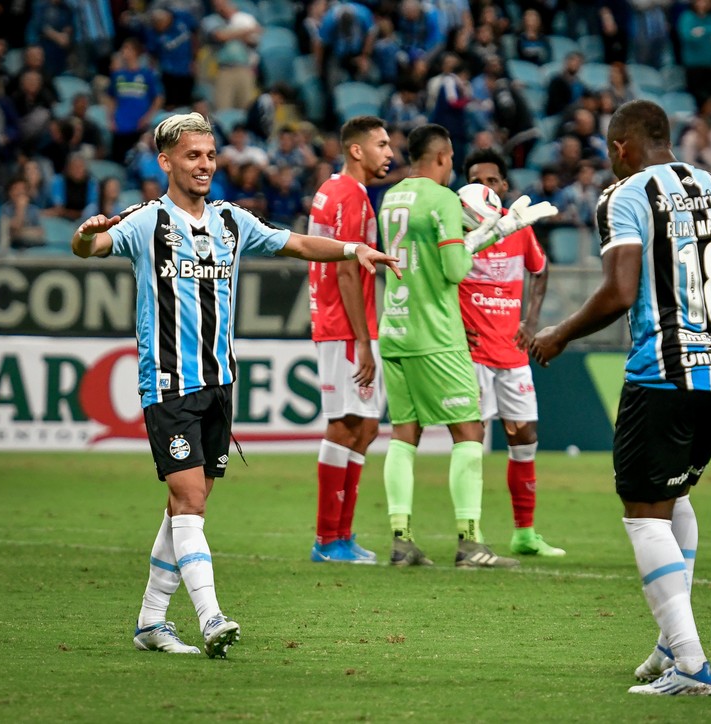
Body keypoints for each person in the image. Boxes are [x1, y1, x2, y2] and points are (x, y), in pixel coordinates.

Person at [71, 112, 399, 658]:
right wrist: (86, 237)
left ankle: (151, 622)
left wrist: (351, 249)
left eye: (209, 154)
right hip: (169, 385)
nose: (204, 165)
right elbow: (93, 250)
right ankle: (211, 617)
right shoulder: (146, 222)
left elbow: (294, 243)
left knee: (185, 509)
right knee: (191, 499)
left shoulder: (229, 221)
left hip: (220, 386)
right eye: (192, 156)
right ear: (166, 162)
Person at [530, 99, 711, 696]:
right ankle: (672, 643)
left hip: (664, 371)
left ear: (621, 147)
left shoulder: (625, 196)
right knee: (676, 497)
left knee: (644, 513)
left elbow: (620, 293)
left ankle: (692, 665)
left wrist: (559, 333)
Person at [377, 123, 556, 568]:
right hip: (436, 333)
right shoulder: (442, 199)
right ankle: (470, 542)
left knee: (403, 435)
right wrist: (499, 230)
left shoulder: (391, 197)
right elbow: (456, 270)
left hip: (395, 327)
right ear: (441, 157)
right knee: (469, 433)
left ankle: (401, 540)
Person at [458, 149, 565, 558]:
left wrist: (531, 321)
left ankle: (524, 533)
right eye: (475, 180)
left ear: (503, 187)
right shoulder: (459, 227)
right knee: (472, 441)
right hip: (473, 353)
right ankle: (472, 533)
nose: (484, 187)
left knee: (524, 438)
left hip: (513, 352)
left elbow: (541, 270)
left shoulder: (519, 229)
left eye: (490, 181)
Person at [307, 116, 394, 564]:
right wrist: (363, 341)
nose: (389, 153)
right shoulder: (352, 197)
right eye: (381, 144)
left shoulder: (334, 190)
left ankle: (341, 534)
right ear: (356, 150)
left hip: (344, 323)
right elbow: (345, 269)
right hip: (345, 326)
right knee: (345, 424)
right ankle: (327, 539)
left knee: (366, 426)